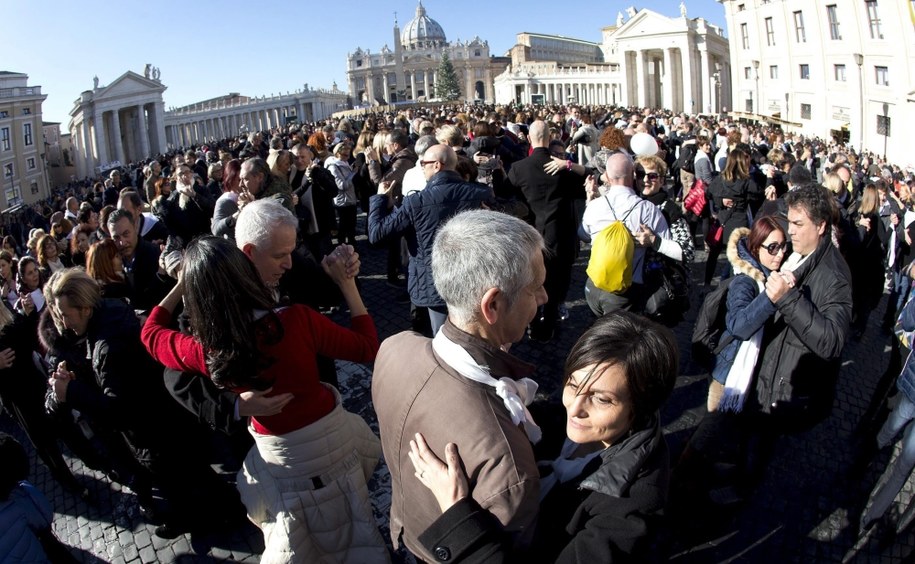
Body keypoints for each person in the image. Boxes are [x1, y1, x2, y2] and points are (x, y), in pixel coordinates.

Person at [141, 235, 387, 561]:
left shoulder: (209, 351)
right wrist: (348, 285)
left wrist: (182, 285)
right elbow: (368, 346)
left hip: (278, 455)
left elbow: (151, 333)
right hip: (331, 436)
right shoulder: (296, 319)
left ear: (197, 297)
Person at [408, 311, 679, 563]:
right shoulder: (557, 419)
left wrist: (456, 512)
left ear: (642, 406)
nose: (574, 409)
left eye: (601, 399)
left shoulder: (634, 508)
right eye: (573, 385)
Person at [372, 209, 547, 562]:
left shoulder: (392, 347)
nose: (543, 298)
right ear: (493, 304)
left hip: (403, 533)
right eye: (536, 287)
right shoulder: (507, 463)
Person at [43, 268, 243, 539]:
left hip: (153, 432)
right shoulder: (112, 311)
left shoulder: (106, 347)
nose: (64, 323)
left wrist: (73, 392)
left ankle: (226, 517)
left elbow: (118, 411)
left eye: (66, 315)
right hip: (166, 416)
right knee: (193, 476)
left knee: (191, 482)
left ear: (86, 308)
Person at [368, 145, 493, 335]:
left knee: (439, 340)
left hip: (432, 285)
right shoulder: (480, 193)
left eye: (423, 163)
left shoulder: (416, 202)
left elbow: (376, 235)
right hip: (471, 282)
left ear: (436, 165)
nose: (421, 167)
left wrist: (379, 198)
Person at [505, 120, 583, 342]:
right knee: (556, 284)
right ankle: (548, 322)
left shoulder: (519, 168)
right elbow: (589, 178)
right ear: (549, 139)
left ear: (529, 139)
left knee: (532, 281)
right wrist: (569, 165)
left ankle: (531, 320)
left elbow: (503, 192)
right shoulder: (562, 168)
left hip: (530, 235)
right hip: (561, 236)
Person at [707, 217, 787, 411]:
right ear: (757, 247)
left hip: (744, 369)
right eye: (773, 247)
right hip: (728, 373)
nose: (781, 253)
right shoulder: (746, 281)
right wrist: (771, 297)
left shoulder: (769, 274)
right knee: (709, 433)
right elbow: (738, 326)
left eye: (784, 246)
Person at [581, 150, 670, 315]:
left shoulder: (595, 205)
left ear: (607, 176)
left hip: (593, 286)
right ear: (633, 175)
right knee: (619, 337)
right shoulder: (648, 210)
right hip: (624, 292)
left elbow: (583, 235)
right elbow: (669, 246)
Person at [705, 147, 763, 284]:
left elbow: (708, 193)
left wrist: (721, 201)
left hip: (723, 220)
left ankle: (706, 283)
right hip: (738, 223)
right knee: (735, 258)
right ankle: (729, 286)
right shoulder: (747, 181)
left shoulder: (721, 178)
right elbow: (759, 194)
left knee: (713, 254)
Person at [848, 184, 887, 340]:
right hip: (869, 267)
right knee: (863, 301)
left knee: (856, 297)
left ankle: (854, 323)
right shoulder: (875, 218)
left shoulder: (857, 211)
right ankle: (859, 329)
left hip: (857, 264)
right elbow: (883, 240)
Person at [325, 142, 359, 246]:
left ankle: (352, 247)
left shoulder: (345, 163)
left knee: (351, 227)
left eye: (348, 154)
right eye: (345, 155)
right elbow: (342, 185)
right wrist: (353, 173)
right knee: (344, 228)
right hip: (343, 201)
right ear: (338, 153)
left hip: (350, 200)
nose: (347, 157)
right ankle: (343, 247)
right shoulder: (334, 167)